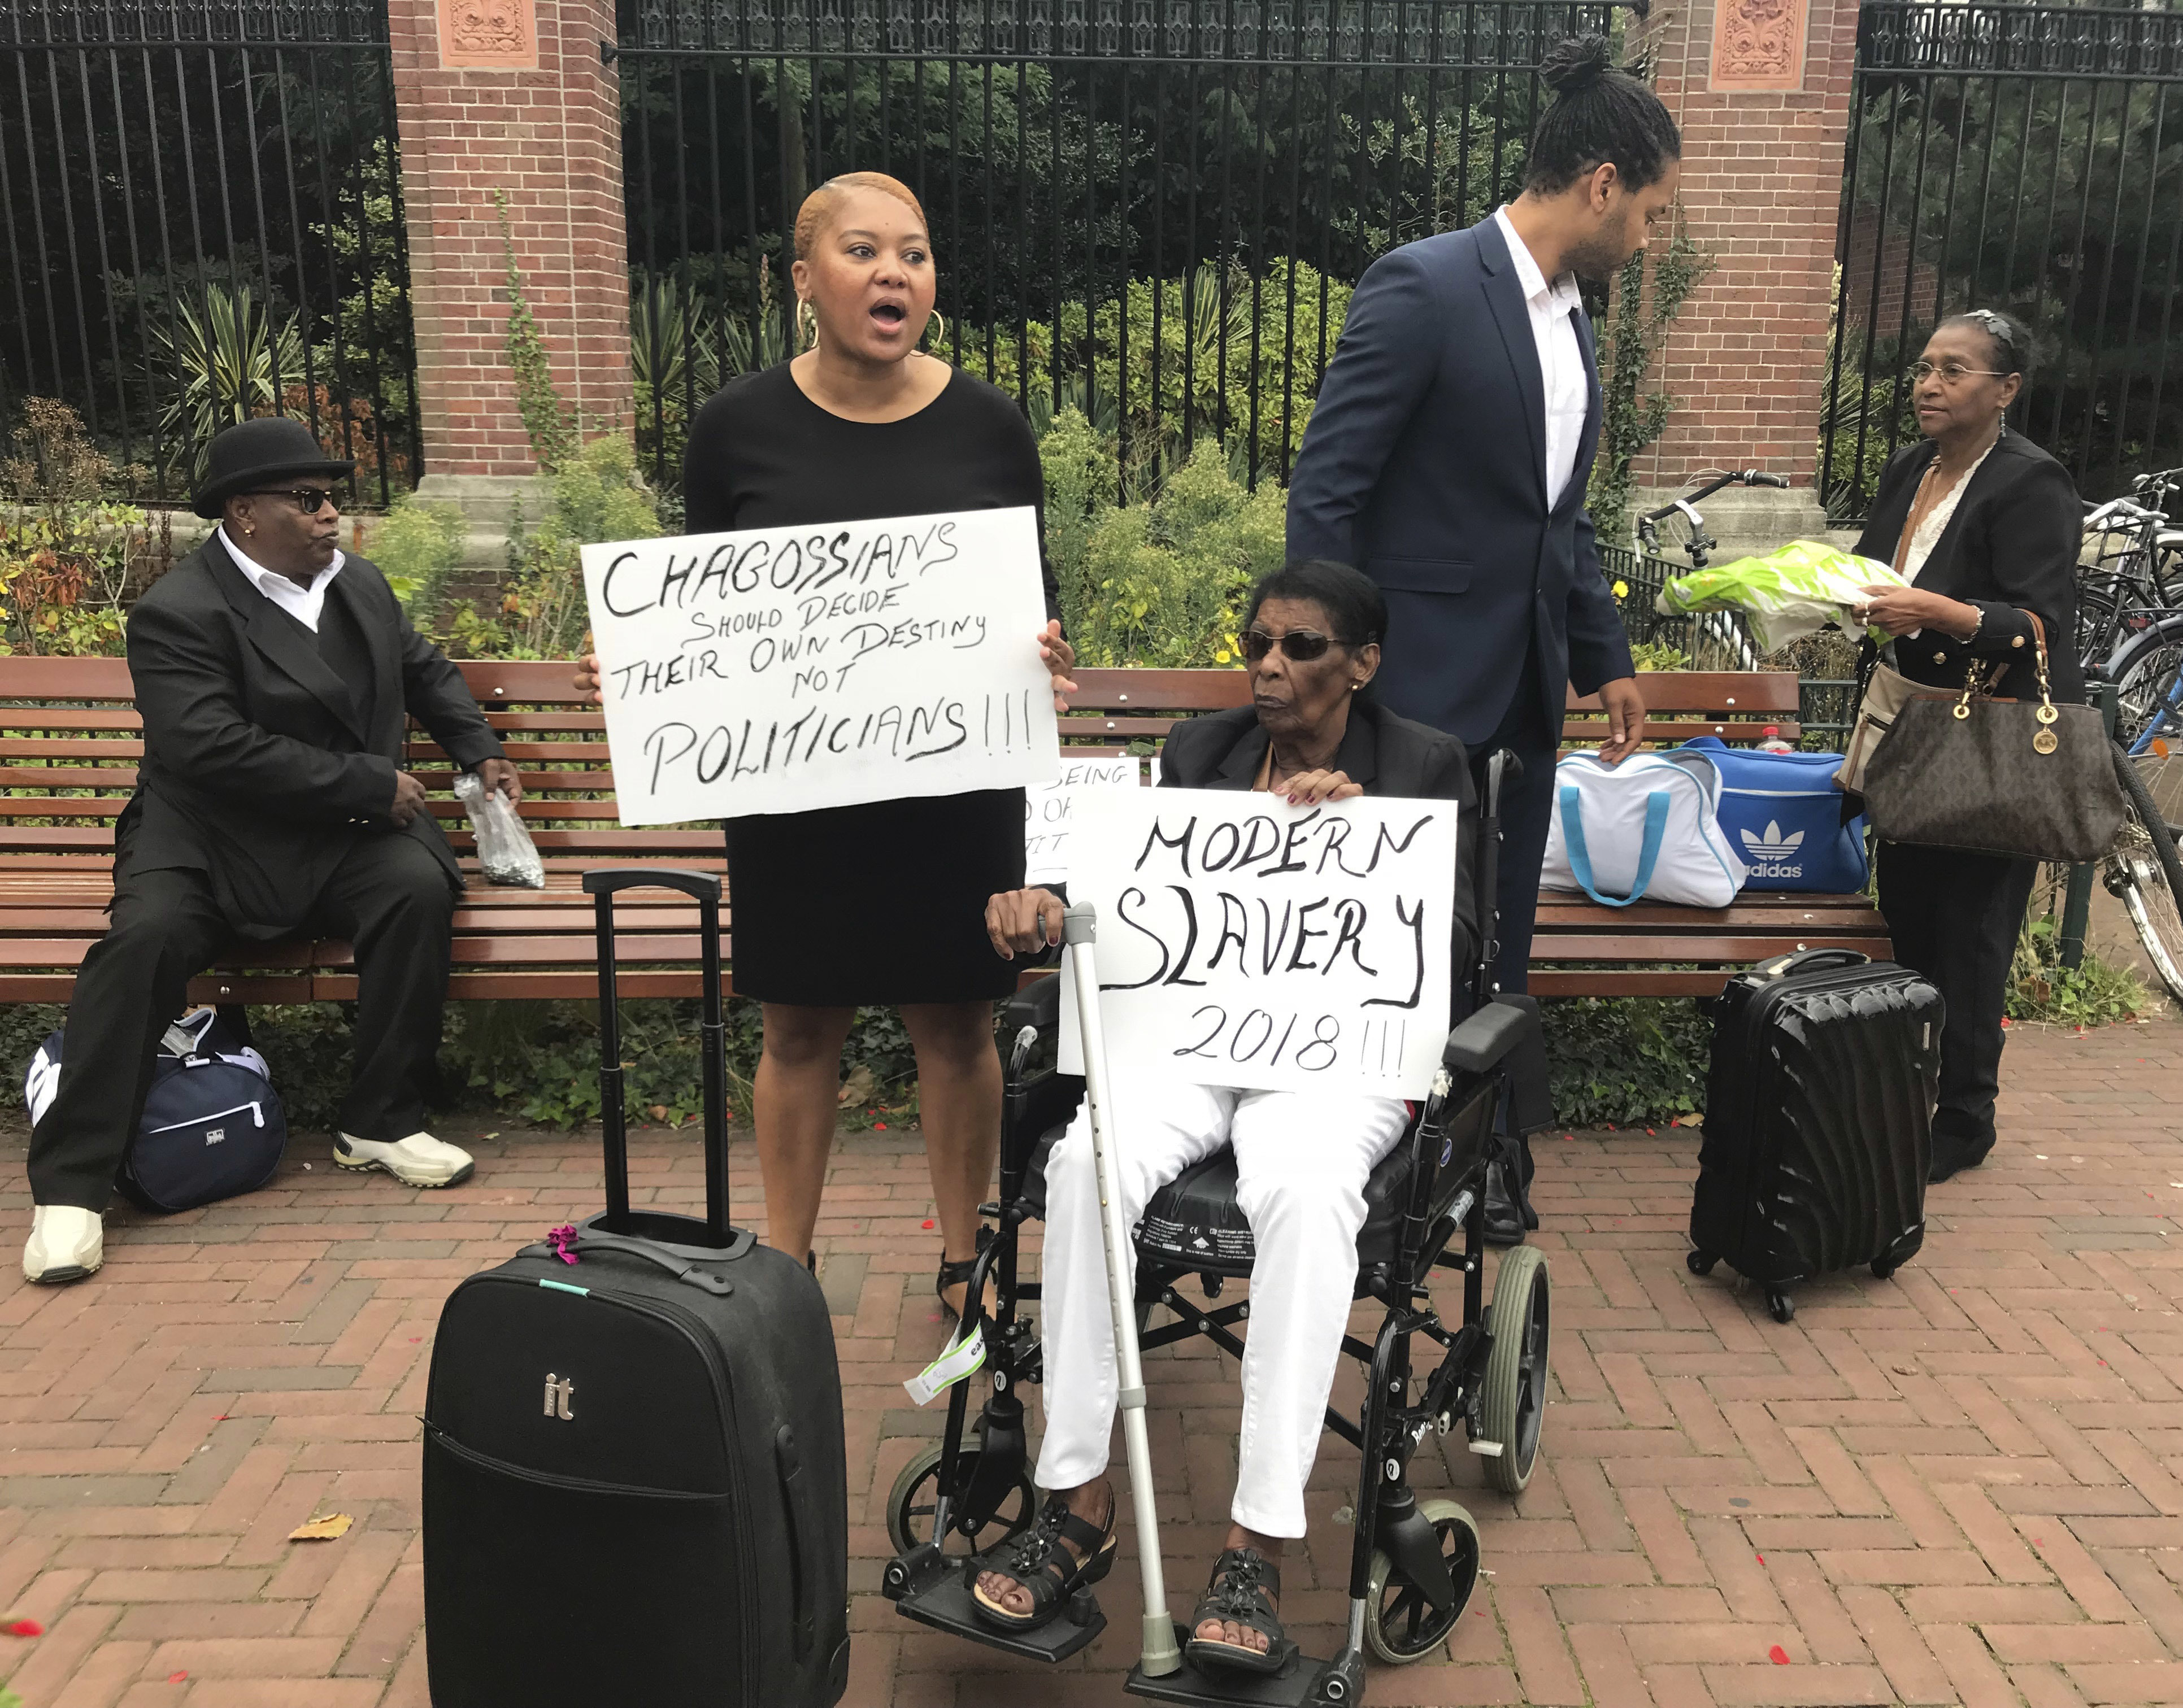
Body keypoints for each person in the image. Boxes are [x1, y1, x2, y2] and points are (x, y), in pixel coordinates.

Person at [575, 172, 1074, 1316]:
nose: (894, 272)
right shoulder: (734, 428)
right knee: (798, 1023)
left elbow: (1033, 596)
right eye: (863, 250)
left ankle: (967, 1259)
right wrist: (642, 667)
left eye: (915, 253)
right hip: (797, 786)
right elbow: (702, 605)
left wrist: (1048, 650)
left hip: (956, 780)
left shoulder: (991, 424)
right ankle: (785, 1273)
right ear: (806, 279)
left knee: (959, 1019)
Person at [971, 560, 1476, 1674]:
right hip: (1194, 1039)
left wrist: (1361, 838)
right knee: (1086, 1163)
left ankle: (1256, 1542)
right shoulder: (1200, 753)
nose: (1269, 665)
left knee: (1304, 1189)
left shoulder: (1424, 763)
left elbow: (1458, 948)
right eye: (1257, 644)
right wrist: (1051, 902)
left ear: (1363, 663)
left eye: (1300, 647)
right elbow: (1134, 906)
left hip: (1331, 1057)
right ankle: (1078, 1501)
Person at [1284, 34, 1679, 1245]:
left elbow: (1557, 515)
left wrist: (1605, 655)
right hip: (1411, 685)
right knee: (1391, 937)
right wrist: (1329, 673)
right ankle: (1367, 1171)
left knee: (1500, 937)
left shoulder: (1574, 320)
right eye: (1652, 213)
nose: (1652, 239)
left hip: (1525, 686)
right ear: (1602, 185)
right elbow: (1328, 491)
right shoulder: (1425, 285)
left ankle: (1488, 1158)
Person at [21, 416, 520, 1284]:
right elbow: (208, 747)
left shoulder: (357, 584)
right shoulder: (178, 611)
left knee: (415, 887)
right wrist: (367, 783)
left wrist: (478, 748)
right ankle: (72, 1188)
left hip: (337, 838)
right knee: (143, 943)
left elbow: (422, 669)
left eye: (333, 497)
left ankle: (381, 1120)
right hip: (207, 838)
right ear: (244, 513)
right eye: (309, 498)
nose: (331, 513)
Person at [1847, 309, 2082, 1183]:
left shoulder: (2032, 482)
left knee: (1973, 935)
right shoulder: (1911, 467)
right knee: (1909, 917)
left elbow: (2040, 624)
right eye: (1924, 368)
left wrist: (1939, 612)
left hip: (1994, 739)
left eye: (1954, 371)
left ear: (2006, 388)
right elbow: (1869, 570)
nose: (1929, 385)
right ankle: (1909, 1095)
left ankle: (1964, 1119)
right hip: (1916, 725)